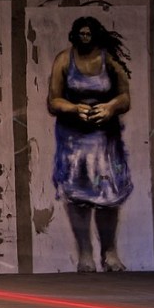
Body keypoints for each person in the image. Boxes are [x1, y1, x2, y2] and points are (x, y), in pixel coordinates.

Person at [47, 16, 132, 272]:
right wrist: (75, 108)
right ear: (75, 35)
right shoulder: (65, 59)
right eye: (80, 33)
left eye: (88, 33)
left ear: (96, 35)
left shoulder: (110, 60)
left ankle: (109, 252)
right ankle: (85, 253)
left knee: (108, 197)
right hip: (74, 140)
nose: (85, 37)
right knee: (78, 197)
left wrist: (109, 107)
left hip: (105, 139)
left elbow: (125, 97)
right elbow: (53, 101)